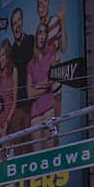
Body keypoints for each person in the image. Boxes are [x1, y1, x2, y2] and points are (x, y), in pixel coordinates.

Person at [37, 0, 69, 116]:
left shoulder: (56, 21)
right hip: (42, 76)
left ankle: (56, 135)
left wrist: (62, 21)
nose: (43, 5)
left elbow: (64, 48)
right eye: (40, 3)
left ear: (49, 3)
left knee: (57, 102)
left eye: (45, 1)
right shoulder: (38, 30)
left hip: (55, 73)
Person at [27, 22, 58, 150]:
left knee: (49, 154)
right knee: (37, 156)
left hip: (49, 108)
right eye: (40, 32)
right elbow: (29, 94)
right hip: (34, 113)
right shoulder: (30, 64)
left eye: (44, 33)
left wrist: (37, 87)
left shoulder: (51, 51)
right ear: (36, 36)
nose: (42, 36)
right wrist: (44, 85)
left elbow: (53, 78)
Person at [8, 7, 35, 150]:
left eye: (19, 20)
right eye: (14, 23)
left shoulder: (31, 40)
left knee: (31, 143)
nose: (17, 25)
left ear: (22, 21)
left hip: (33, 102)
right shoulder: (11, 50)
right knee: (18, 145)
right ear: (12, 28)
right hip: (18, 105)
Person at [0, 39, 18, 140]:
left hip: (10, 123)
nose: (1, 59)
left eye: (3, 55)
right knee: (0, 155)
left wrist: (6, 126)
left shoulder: (14, 72)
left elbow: (14, 101)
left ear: (8, 55)